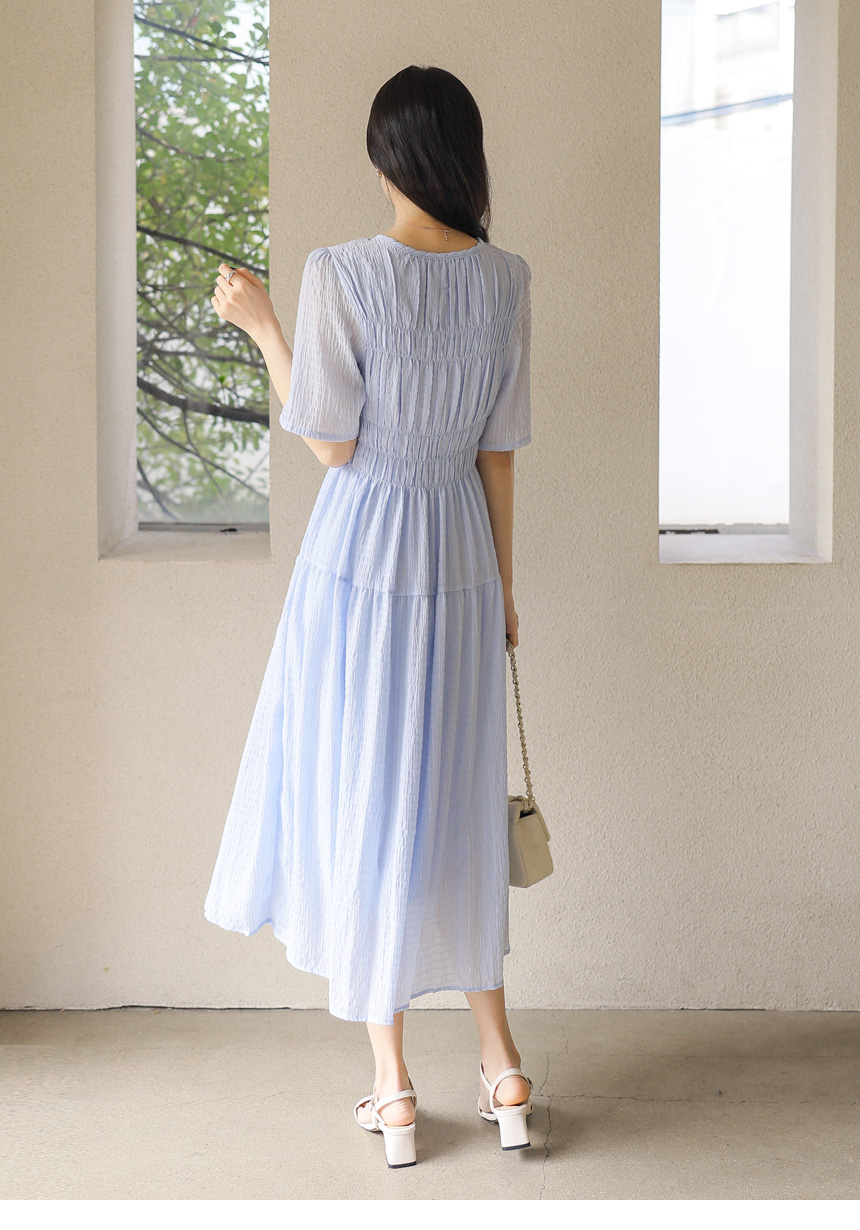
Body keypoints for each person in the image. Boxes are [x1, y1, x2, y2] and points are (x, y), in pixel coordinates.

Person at [204, 64, 534, 1168]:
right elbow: (497, 454)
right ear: (464, 156)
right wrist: (504, 588)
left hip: (360, 558)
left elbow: (332, 443)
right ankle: (502, 1067)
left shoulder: (341, 271)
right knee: (455, 801)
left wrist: (263, 325)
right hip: (461, 556)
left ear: (385, 157)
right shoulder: (505, 277)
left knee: (366, 796)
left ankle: (392, 1088)